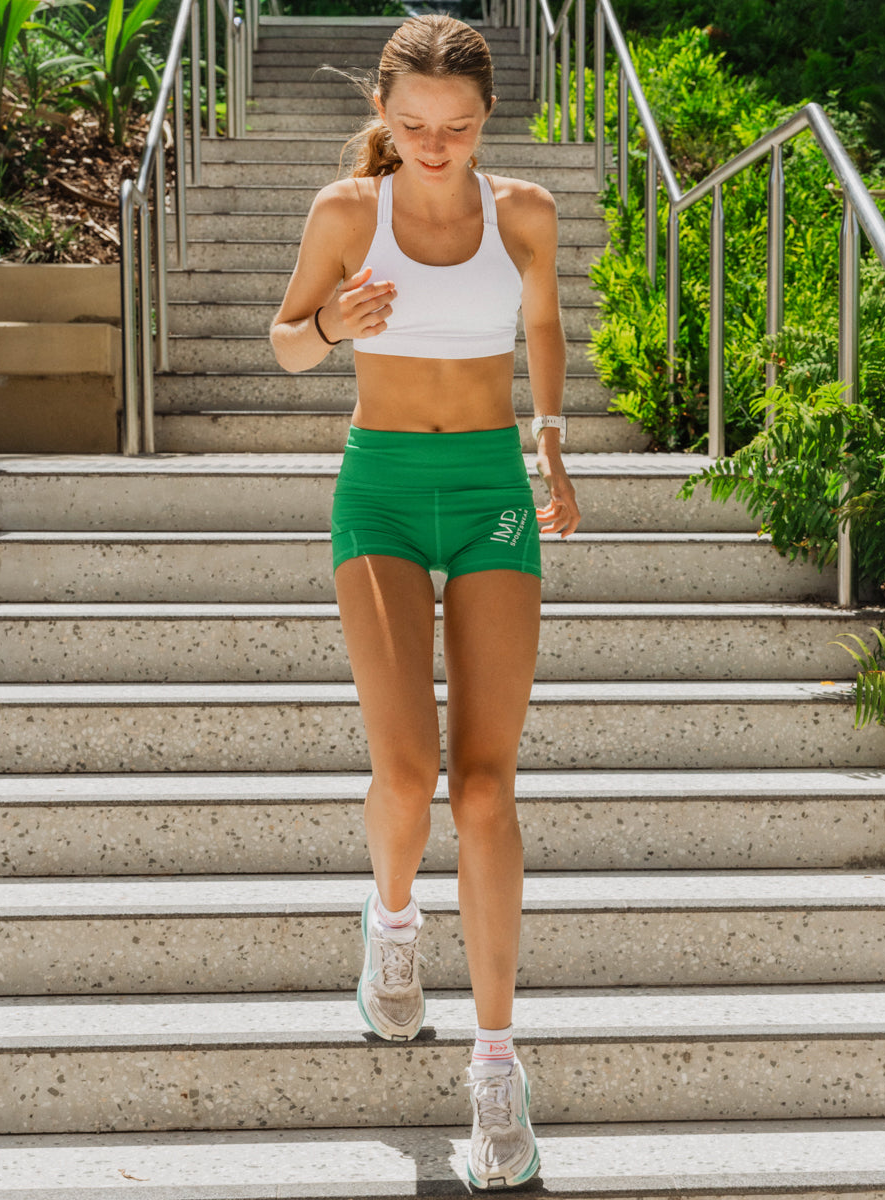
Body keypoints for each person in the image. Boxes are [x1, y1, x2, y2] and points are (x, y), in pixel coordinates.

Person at [269, 13, 580, 1190]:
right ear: (385, 115)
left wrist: (551, 442)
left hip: (492, 488)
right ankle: (391, 929)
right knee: (407, 772)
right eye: (411, 128)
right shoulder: (349, 214)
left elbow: (542, 322)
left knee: (489, 784)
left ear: (485, 117)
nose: (434, 147)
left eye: (455, 128)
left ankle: (497, 1072)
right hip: (384, 492)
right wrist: (330, 326)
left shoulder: (526, 215)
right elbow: (286, 342)